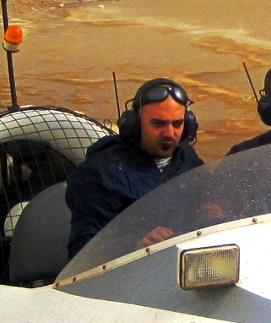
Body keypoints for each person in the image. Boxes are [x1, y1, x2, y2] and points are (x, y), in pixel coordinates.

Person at [66, 77, 204, 258]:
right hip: (128, 274)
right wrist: (135, 245)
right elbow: (81, 250)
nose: (170, 134)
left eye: (177, 124)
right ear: (135, 125)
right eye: (158, 124)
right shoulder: (100, 173)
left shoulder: (187, 158)